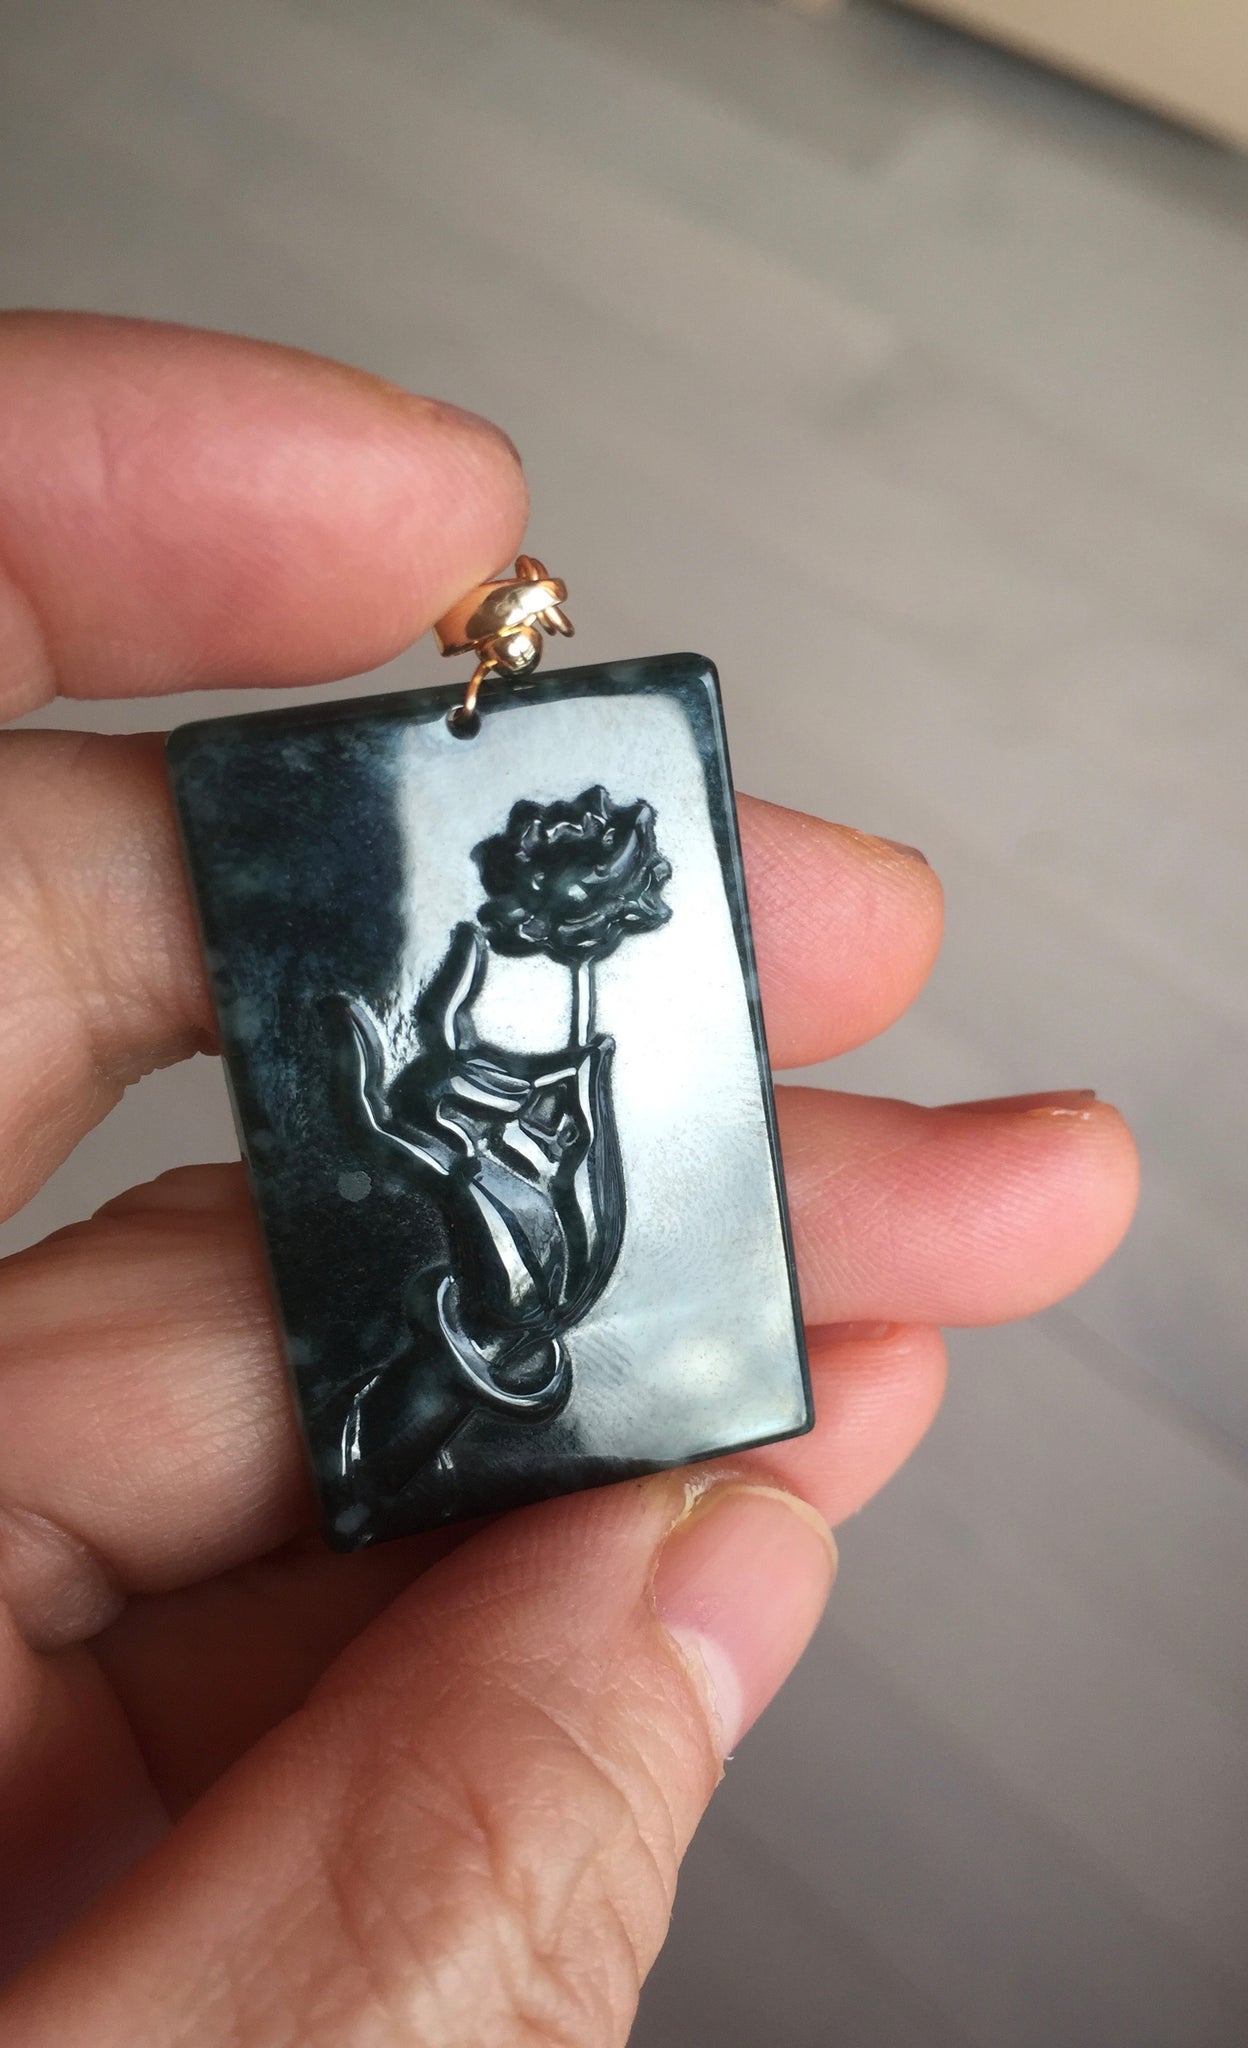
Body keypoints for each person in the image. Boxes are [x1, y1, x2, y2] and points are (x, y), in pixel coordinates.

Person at [0, 313, 1139, 2045]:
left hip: (519, 1242)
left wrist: (527, 1094)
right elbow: (445, 1055)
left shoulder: (570, 1010)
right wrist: (460, 1105)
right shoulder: (466, 1010)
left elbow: (536, 1070)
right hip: (463, 1234)